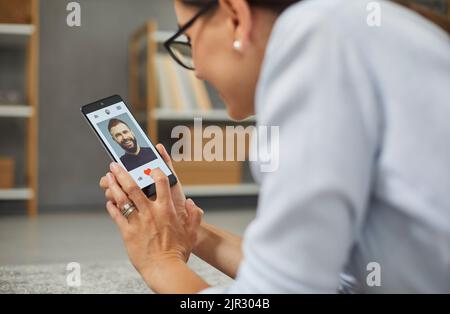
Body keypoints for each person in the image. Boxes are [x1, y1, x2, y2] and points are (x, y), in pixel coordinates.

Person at [99, 0, 450, 293]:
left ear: (236, 16)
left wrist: (158, 263)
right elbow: (329, 275)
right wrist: (184, 228)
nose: (198, 72)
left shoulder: (314, 35)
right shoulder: (351, 26)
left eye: (189, 40)